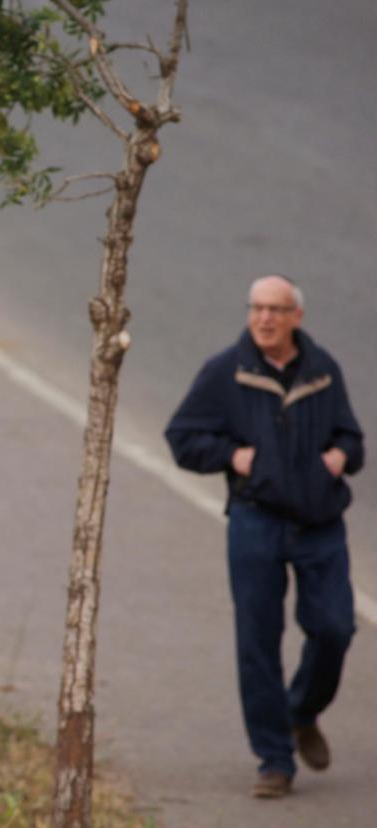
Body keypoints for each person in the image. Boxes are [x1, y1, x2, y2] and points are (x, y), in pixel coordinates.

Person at [165, 275, 364, 799]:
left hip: (320, 525)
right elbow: (182, 438)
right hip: (257, 522)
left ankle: (301, 711)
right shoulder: (226, 373)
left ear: (296, 316)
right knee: (257, 641)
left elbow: (352, 436)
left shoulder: (322, 371)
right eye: (257, 308)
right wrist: (233, 457)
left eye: (276, 309)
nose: (265, 319)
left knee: (335, 629)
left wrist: (341, 456)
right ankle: (274, 760)